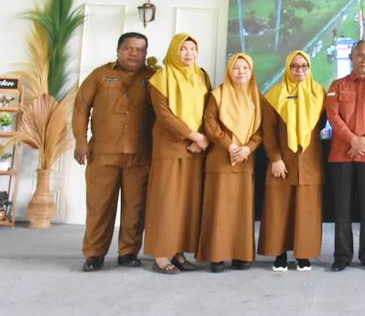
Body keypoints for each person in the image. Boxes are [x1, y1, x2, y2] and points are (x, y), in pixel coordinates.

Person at [72, 32, 155, 272]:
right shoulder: (100, 75)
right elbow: (80, 108)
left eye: (140, 49)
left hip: (140, 154)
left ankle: (128, 253)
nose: (134, 53)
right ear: (118, 50)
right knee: (99, 206)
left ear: (146, 54)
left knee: (135, 207)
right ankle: (94, 253)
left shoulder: (153, 78)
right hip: (103, 153)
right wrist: (81, 141)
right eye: (128, 48)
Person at [143, 33, 211, 274]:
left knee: (187, 204)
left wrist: (203, 138)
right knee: (166, 202)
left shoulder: (201, 76)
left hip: (196, 150)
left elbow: (209, 110)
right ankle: (161, 255)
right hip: (170, 147)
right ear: (174, 51)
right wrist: (194, 136)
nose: (189, 53)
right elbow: (164, 115)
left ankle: (179, 251)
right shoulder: (161, 78)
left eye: (193, 48)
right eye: (183, 49)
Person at [325, 40, 365, 272]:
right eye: (360, 55)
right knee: (342, 207)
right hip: (341, 154)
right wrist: (353, 140)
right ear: (352, 57)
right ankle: (342, 255)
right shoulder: (337, 85)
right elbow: (333, 117)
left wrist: (364, 143)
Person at [258, 50, 326, 272]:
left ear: (309, 69)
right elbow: (267, 130)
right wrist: (275, 158)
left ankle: (303, 254)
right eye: (295, 66)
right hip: (283, 162)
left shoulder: (319, 94)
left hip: (309, 161)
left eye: (304, 66)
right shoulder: (274, 94)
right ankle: (279, 253)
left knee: (306, 210)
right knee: (280, 208)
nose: (299, 70)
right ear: (288, 68)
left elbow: (321, 125)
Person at [196, 53, 262, 272]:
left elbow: (261, 131)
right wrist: (231, 146)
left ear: (251, 71)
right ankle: (216, 256)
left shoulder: (256, 98)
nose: (241, 72)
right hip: (221, 159)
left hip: (244, 161)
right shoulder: (218, 94)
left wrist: (247, 148)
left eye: (245, 68)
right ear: (229, 71)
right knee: (219, 209)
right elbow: (210, 123)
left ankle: (240, 255)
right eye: (236, 67)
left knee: (241, 210)